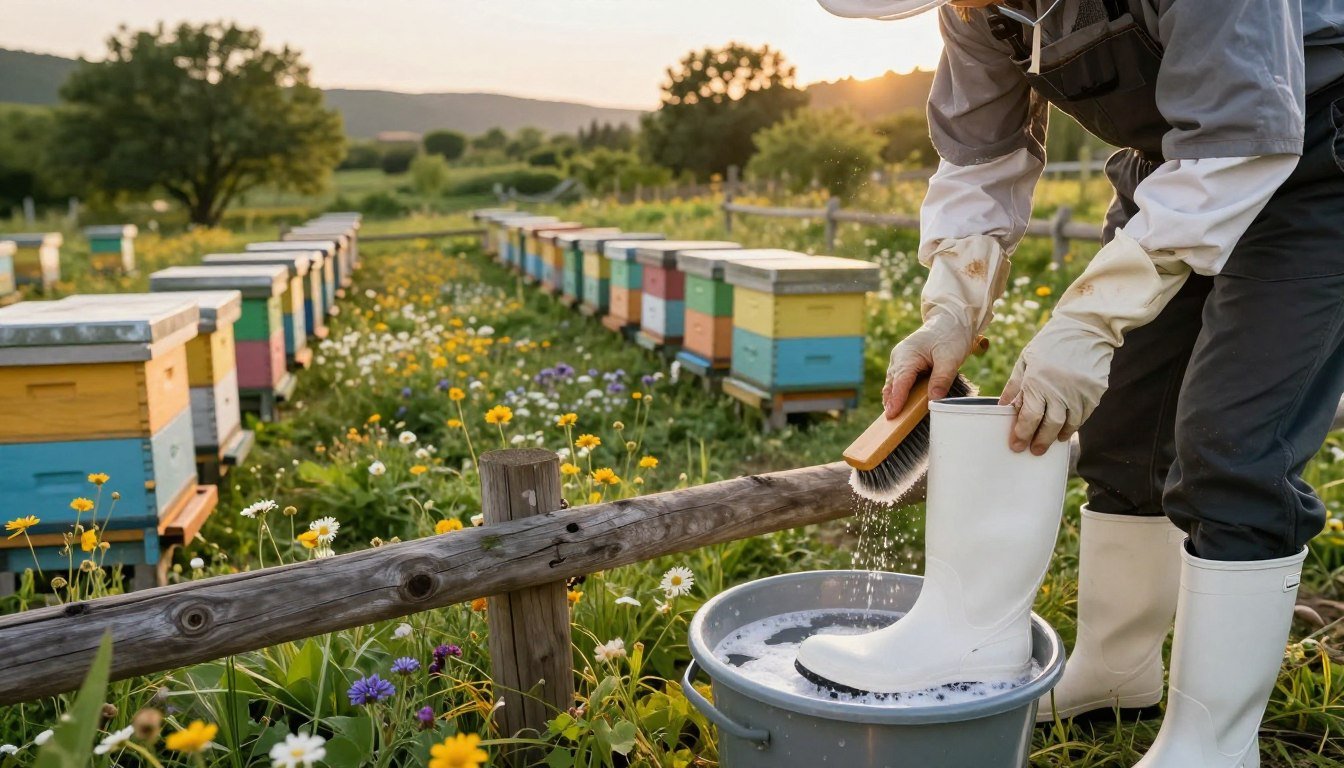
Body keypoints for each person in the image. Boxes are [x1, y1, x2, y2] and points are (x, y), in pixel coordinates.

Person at [809, 1, 1344, 765]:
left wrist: (1088, 323)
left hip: (1317, 162)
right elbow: (979, 158)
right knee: (1127, 432)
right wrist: (951, 309)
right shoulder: (977, 9)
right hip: (1169, 166)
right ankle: (1116, 670)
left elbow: (1240, 140)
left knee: (1233, 446)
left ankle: (1212, 744)